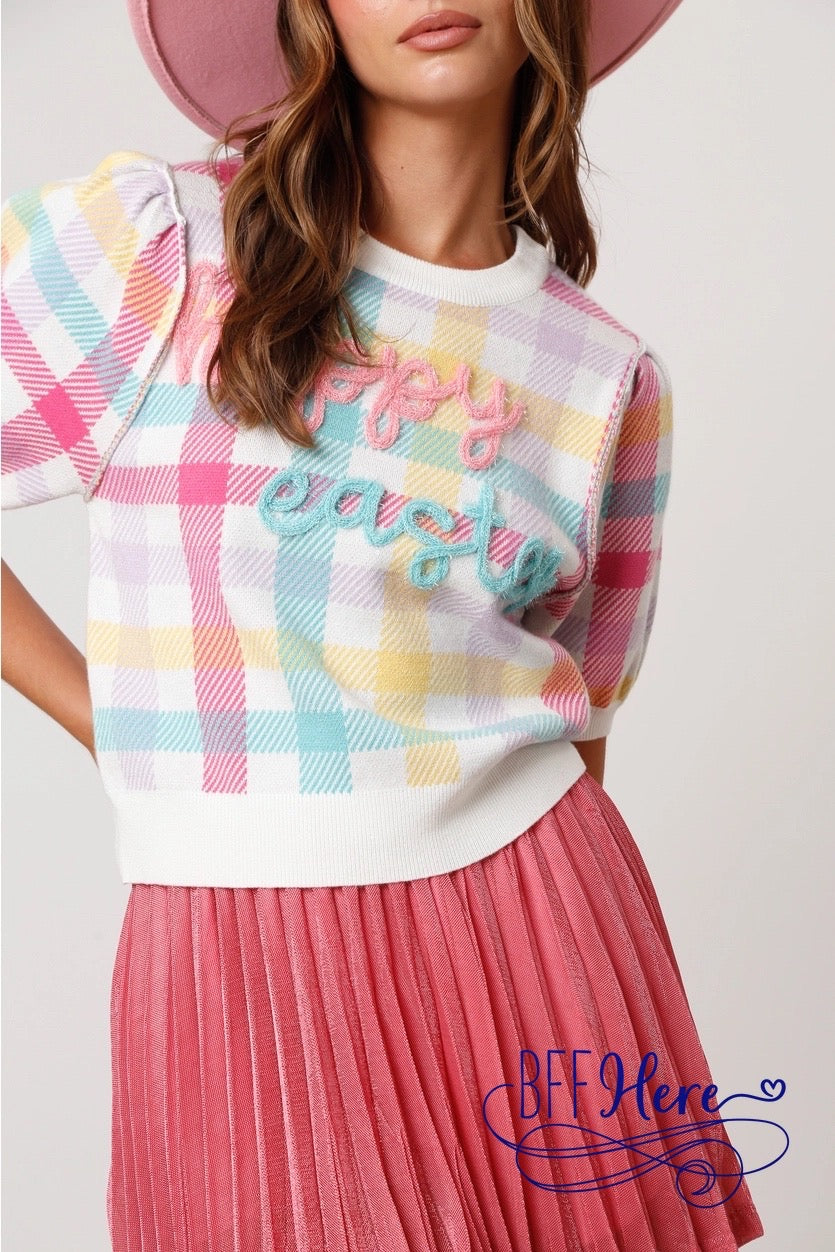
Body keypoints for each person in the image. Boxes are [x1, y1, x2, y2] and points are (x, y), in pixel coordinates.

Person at [1, 0, 766, 1248]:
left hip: (537, 920)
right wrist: (109, 718)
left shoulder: (603, 375)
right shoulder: (165, 247)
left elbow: (585, 726)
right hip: (230, 943)